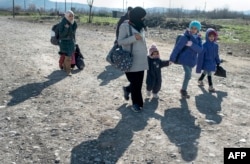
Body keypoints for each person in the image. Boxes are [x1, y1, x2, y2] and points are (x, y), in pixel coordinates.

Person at [118, 7, 148, 112]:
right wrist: (134, 38)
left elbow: (143, 42)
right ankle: (137, 103)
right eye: (142, 17)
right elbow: (120, 41)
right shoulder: (125, 26)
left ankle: (129, 92)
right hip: (130, 59)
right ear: (137, 16)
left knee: (138, 83)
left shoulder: (142, 26)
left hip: (142, 58)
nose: (144, 19)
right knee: (136, 83)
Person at [169, 20, 203, 98]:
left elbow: (200, 50)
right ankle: (183, 90)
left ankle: (183, 90)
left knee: (188, 76)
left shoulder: (199, 39)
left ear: (198, 30)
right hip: (184, 59)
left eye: (195, 28)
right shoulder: (185, 37)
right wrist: (172, 58)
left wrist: (192, 45)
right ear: (189, 28)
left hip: (192, 60)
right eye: (192, 28)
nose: (193, 30)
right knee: (188, 75)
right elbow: (177, 48)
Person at [196, 28, 221, 92]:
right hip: (206, 62)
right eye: (210, 36)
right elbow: (201, 56)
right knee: (209, 73)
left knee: (205, 72)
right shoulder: (204, 45)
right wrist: (199, 65)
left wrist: (218, 61)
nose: (211, 38)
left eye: (213, 36)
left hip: (212, 62)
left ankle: (200, 80)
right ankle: (210, 86)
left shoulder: (215, 45)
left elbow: (216, 54)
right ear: (207, 36)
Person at [58, 10, 77, 76]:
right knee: (68, 57)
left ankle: (65, 68)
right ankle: (68, 71)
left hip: (71, 42)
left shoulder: (73, 22)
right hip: (64, 43)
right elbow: (61, 35)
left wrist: (74, 42)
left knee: (67, 56)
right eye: (70, 16)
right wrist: (66, 27)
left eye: (72, 16)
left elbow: (73, 33)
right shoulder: (62, 23)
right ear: (66, 16)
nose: (71, 17)